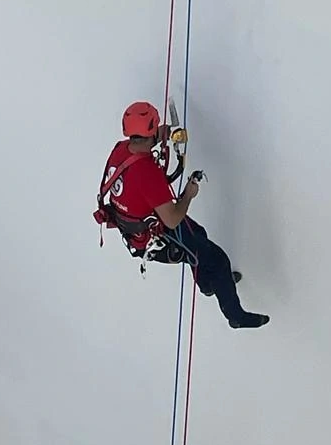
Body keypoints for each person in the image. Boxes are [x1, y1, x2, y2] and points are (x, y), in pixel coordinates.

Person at [96, 102, 270, 330]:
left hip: (137, 228)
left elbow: (142, 152)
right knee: (218, 260)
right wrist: (188, 195)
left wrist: (165, 134)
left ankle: (209, 284)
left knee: (198, 236)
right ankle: (235, 316)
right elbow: (173, 219)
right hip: (157, 238)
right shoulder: (147, 174)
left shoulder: (121, 149)